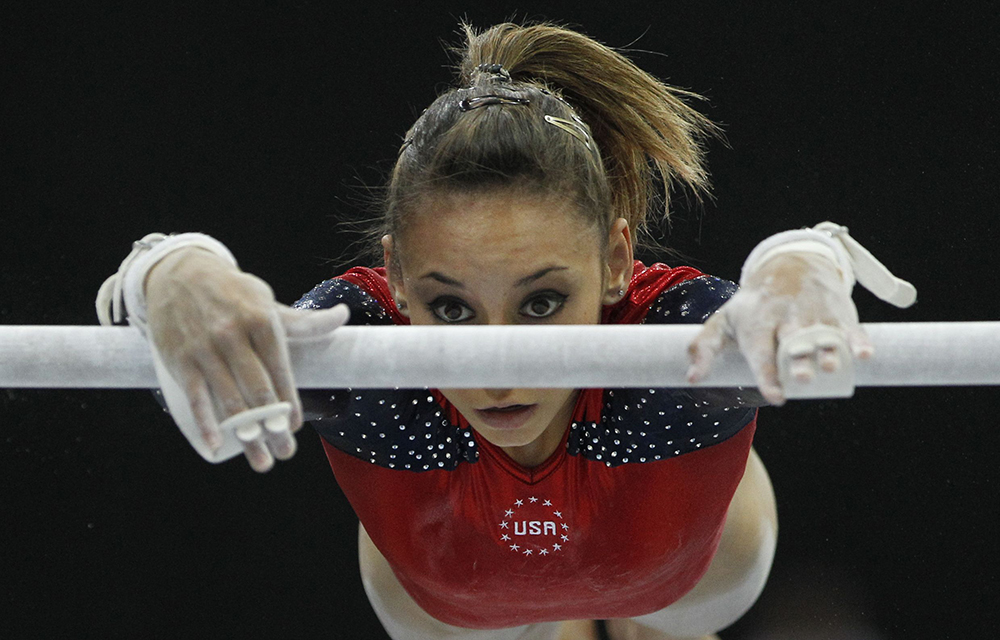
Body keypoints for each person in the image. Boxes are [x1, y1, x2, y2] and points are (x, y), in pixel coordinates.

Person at [97, 21, 905, 640]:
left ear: (619, 261)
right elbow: (205, 339)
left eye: (543, 301)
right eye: (450, 306)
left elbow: (776, 293)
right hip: (451, 610)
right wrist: (171, 271)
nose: (497, 363)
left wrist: (800, 263)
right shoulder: (355, 337)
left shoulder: (674, 337)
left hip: (690, 586)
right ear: (398, 283)